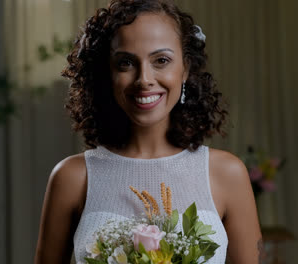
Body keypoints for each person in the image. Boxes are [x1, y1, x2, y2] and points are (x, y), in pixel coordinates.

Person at [34, 0, 262, 263]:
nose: (144, 79)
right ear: (108, 74)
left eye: (161, 60)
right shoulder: (72, 178)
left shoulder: (227, 174)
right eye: (125, 63)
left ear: (185, 69)